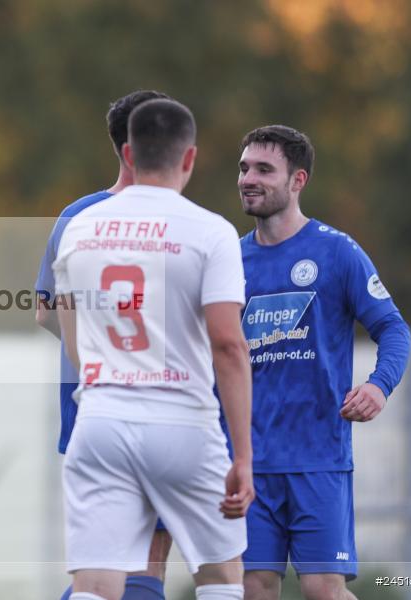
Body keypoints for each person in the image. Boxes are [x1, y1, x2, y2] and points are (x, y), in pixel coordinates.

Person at [53, 98, 254, 600]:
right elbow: (228, 346)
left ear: (128, 152)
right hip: (183, 421)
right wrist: (243, 456)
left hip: (100, 419)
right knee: (220, 577)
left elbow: (71, 332)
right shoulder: (212, 231)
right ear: (189, 159)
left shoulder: (80, 227)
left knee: (95, 584)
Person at [235, 125, 411, 600]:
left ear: (298, 180)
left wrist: (378, 385)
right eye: (245, 167)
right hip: (251, 463)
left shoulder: (336, 252)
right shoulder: (230, 261)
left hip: (319, 459)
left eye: (264, 170)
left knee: (323, 591)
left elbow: (393, 329)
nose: (249, 178)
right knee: (253, 588)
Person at [35, 90, 173, 600]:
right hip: (161, 412)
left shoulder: (77, 215)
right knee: (148, 563)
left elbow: (45, 310)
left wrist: (92, 352)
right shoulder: (182, 222)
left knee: (98, 566)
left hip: (90, 411)